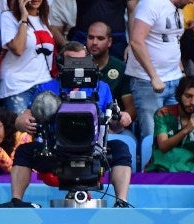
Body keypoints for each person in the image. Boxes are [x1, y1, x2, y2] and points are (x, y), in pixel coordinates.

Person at [9, 42, 135, 207]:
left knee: (120, 148)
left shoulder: (102, 88)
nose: (76, 66)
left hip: (94, 150)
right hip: (55, 151)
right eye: (71, 61)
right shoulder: (47, 88)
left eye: (80, 61)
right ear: (61, 61)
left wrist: (122, 120)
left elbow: (113, 125)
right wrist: (21, 121)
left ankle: (121, 202)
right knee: (24, 151)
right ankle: (16, 201)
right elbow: (25, 117)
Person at [124, 0, 192, 139]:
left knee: (176, 134)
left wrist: (182, 73)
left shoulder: (177, 9)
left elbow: (173, 43)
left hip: (175, 79)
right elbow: (136, 41)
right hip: (148, 82)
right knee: (154, 137)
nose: (192, 2)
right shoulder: (151, 3)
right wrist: (154, 76)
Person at [145, 75, 194, 173]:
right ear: (179, 96)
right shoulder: (163, 114)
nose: (193, 102)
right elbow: (163, 147)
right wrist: (186, 129)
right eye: (188, 96)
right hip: (160, 169)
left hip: (188, 170)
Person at [0, 0, 55, 114]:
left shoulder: (45, 20)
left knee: (43, 130)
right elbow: (18, 48)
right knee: (22, 131)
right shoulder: (8, 17)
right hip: (18, 86)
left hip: (43, 83)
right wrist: (24, 18)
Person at [86, 21, 136, 127]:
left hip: (113, 126)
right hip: (83, 125)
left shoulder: (120, 68)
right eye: (91, 37)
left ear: (109, 42)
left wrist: (122, 119)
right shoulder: (77, 67)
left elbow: (130, 108)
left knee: (128, 142)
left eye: (100, 38)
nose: (94, 42)